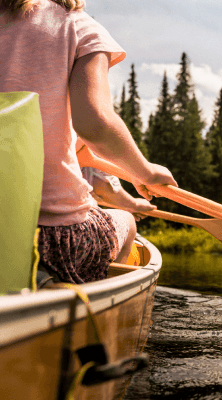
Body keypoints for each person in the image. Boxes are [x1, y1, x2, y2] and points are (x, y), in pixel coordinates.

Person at [0, 0, 177, 283]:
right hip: (51, 238)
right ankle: (94, 299)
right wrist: (144, 172)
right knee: (127, 223)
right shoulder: (77, 26)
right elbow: (94, 124)